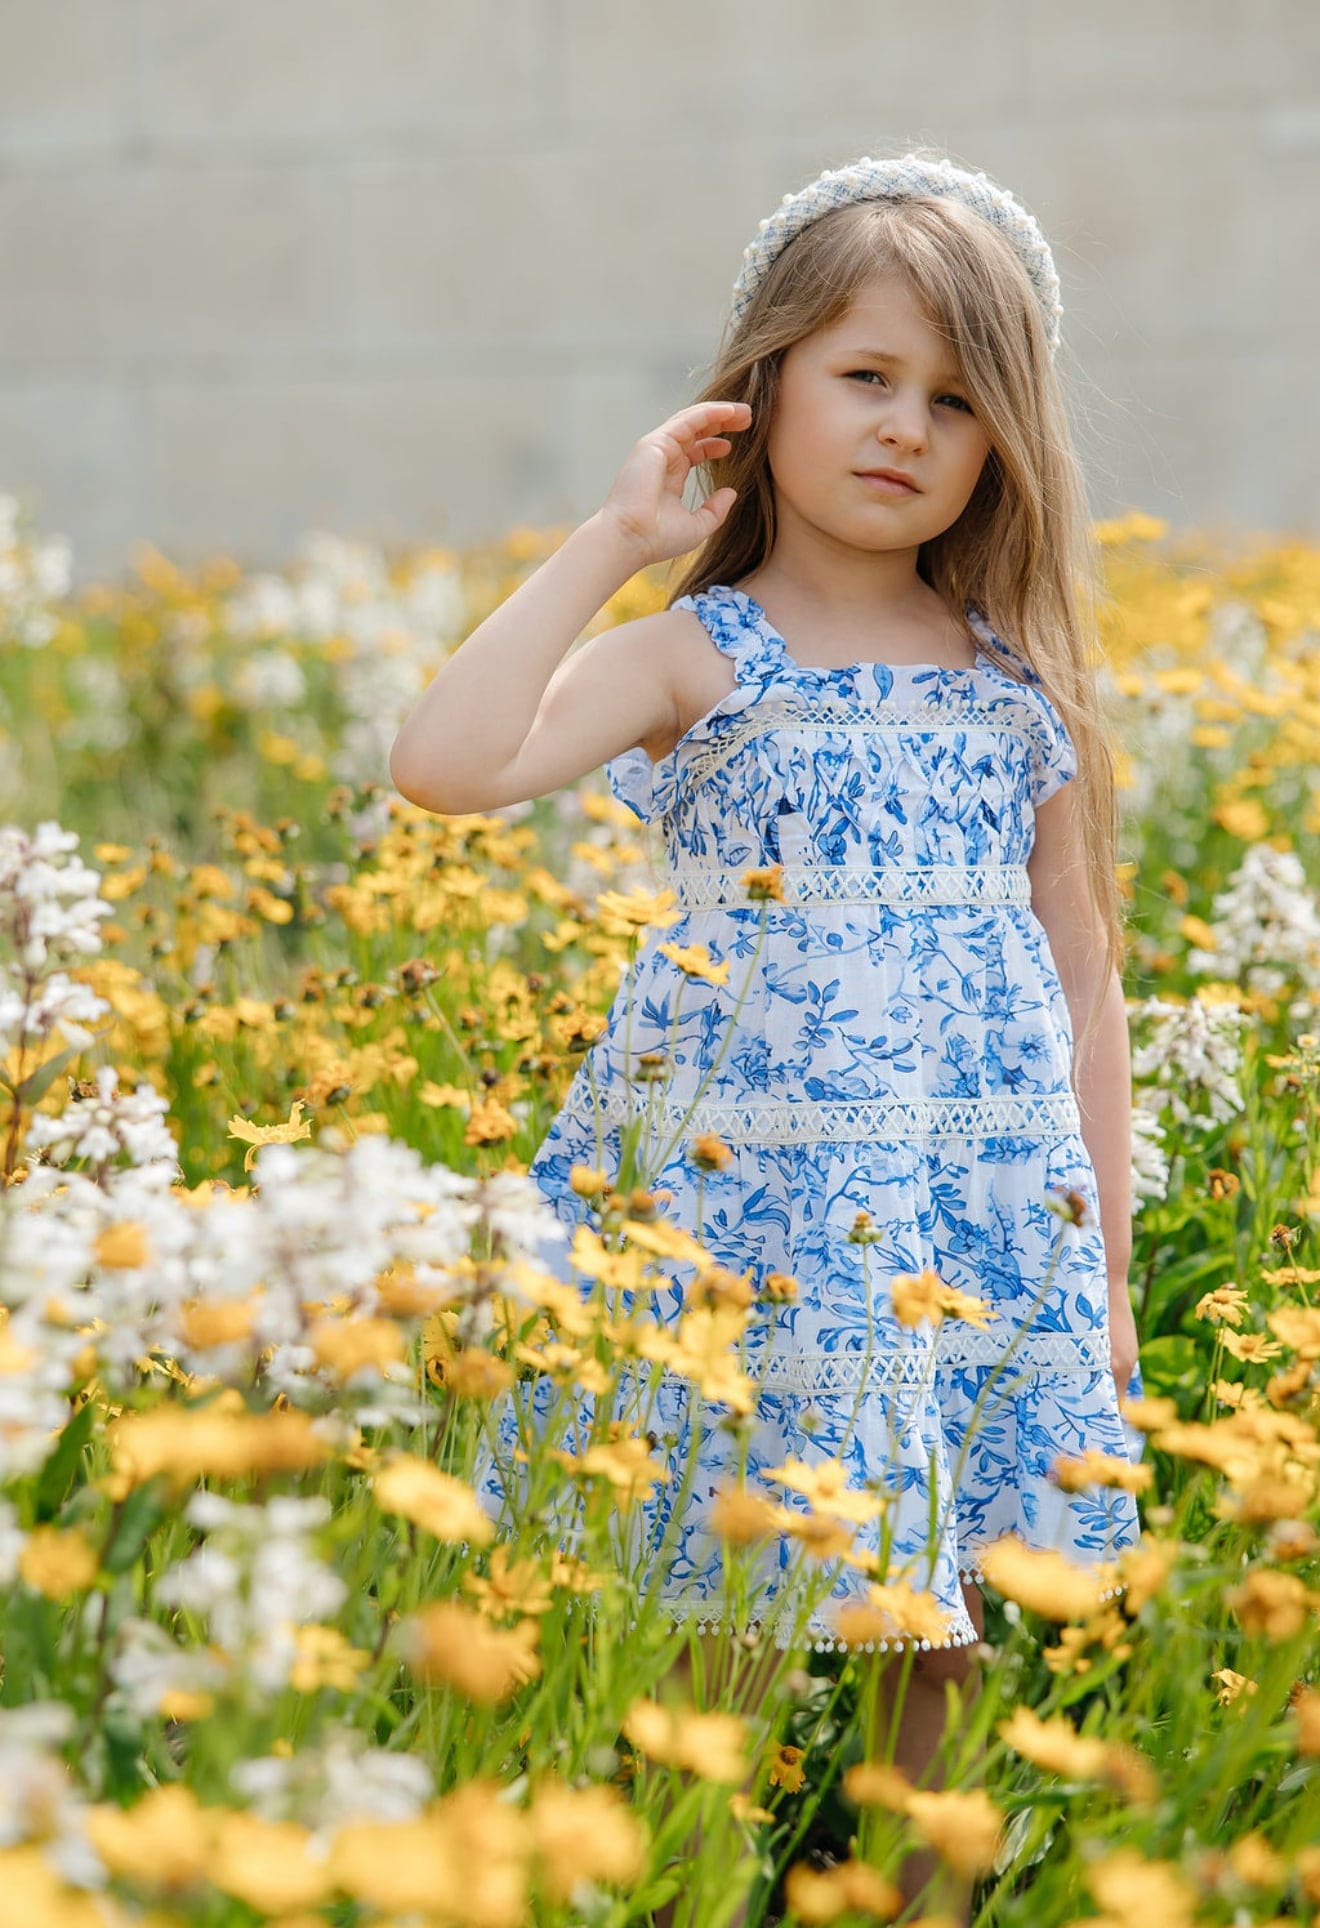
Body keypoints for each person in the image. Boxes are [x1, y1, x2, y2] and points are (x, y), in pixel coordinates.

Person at [390, 144, 1146, 1924]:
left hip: (960, 1234)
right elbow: (447, 767)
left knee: (932, 1637)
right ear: (765, 386)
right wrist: (614, 540)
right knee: (712, 1627)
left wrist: (1102, 1263)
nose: (906, 428)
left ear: (1005, 442)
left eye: (958, 400)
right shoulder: (699, 657)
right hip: (748, 1238)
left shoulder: (1020, 683)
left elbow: (1084, 974)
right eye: (865, 376)